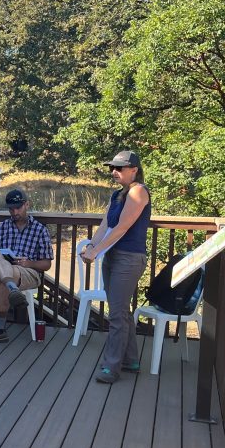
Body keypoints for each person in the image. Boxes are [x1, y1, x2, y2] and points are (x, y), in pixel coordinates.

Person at [81, 150, 152, 384]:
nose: (115, 172)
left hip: (130, 258)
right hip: (112, 256)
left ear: (134, 170)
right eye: (113, 168)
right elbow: (105, 225)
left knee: (117, 315)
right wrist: (92, 245)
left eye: (120, 168)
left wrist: (95, 251)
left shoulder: (138, 192)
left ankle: (111, 366)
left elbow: (122, 228)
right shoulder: (117, 195)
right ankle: (131, 359)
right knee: (121, 310)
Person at [0, 189, 54, 344]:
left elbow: (47, 264)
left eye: (18, 207)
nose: (14, 211)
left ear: (27, 205)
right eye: (11, 208)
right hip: (2, 269)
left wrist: (28, 263)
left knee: (2, 278)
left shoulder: (39, 230)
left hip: (27, 272)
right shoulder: (1, 228)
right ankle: (12, 289)